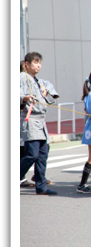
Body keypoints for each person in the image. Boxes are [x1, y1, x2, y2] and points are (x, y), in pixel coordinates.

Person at [20, 52, 57, 195]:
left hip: (41, 121)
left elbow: (51, 97)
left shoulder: (38, 81)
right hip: (31, 118)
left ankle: (41, 186)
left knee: (43, 154)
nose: (38, 65)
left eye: (39, 62)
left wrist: (45, 92)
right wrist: (24, 98)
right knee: (32, 154)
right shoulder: (22, 77)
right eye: (35, 62)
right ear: (26, 65)